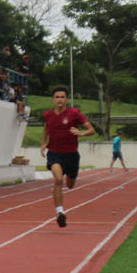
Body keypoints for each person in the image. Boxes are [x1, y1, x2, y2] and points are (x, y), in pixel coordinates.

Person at [39, 85, 95, 228]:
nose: (60, 100)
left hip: (71, 155)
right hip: (54, 154)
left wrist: (81, 133)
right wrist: (43, 143)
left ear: (67, 99)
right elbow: (46, 127)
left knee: (70, 185)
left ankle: (71, 177)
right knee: (58, 179)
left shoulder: (74, 113)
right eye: (57, 97)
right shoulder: (48, 115)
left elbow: (91, 129)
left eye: (62, 97)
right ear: (53, 99)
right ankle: (60, 213)